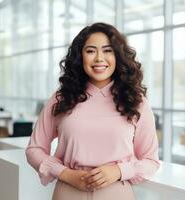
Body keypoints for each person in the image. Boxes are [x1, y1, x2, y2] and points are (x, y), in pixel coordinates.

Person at [26, 23, 159, 200]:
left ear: (118, 56)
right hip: (68, 192)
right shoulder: (62, 98)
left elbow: (151, 161)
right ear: (80, 57)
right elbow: (34, 149)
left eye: (107, 50)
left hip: (117, 193)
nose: (99, 58)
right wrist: (65, 173)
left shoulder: (136, 102)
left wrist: (118, 171)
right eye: (90, 51)